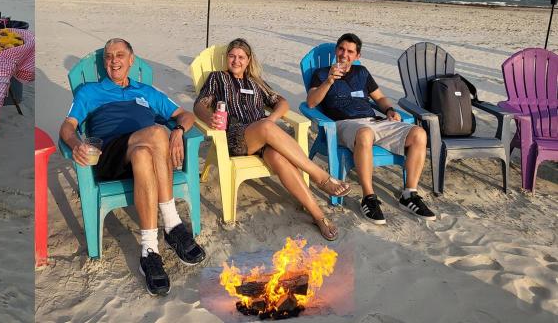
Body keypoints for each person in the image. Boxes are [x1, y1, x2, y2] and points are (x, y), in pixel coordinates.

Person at [59, 38, 206, 296]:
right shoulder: (90, 91)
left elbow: (185, 115)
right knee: (157, 132)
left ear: (131, 60)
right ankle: (172, 224)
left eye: (119, 55)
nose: (113, 60)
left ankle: (149, 251)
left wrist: (179, 131)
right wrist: (75, 144)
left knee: (142, 154)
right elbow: (67, 126)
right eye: (108, 56)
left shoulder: (146, 91)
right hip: (110, 157)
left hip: (145, 158)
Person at [193, 38, 349, 241]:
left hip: (264, 137)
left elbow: (281, 102)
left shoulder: (256, 82)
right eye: (232, 56)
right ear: (226, 58)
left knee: (278, 158)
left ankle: (319, 216)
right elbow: (199, 105)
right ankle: (321, 177)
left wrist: (272, 118)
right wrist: (210, 118)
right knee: (266, 127)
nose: (236, 61)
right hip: (235, 137)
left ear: (248, 60)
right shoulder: (217, 78)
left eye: (241, 57)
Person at [306, 33, 435, 225]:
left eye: (350, 52)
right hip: (343, 124)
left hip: (374, 121)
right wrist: (329, 81)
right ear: (336, 50)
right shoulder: (322, 74)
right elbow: (311, 102)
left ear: (357, 56)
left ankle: (409, 194)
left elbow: (380, 98)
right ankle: (369, 197)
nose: (344, 54)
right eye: (341, 49)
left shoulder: (362, 73)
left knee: (419, 133)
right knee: (365, 133)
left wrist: (389, 110)